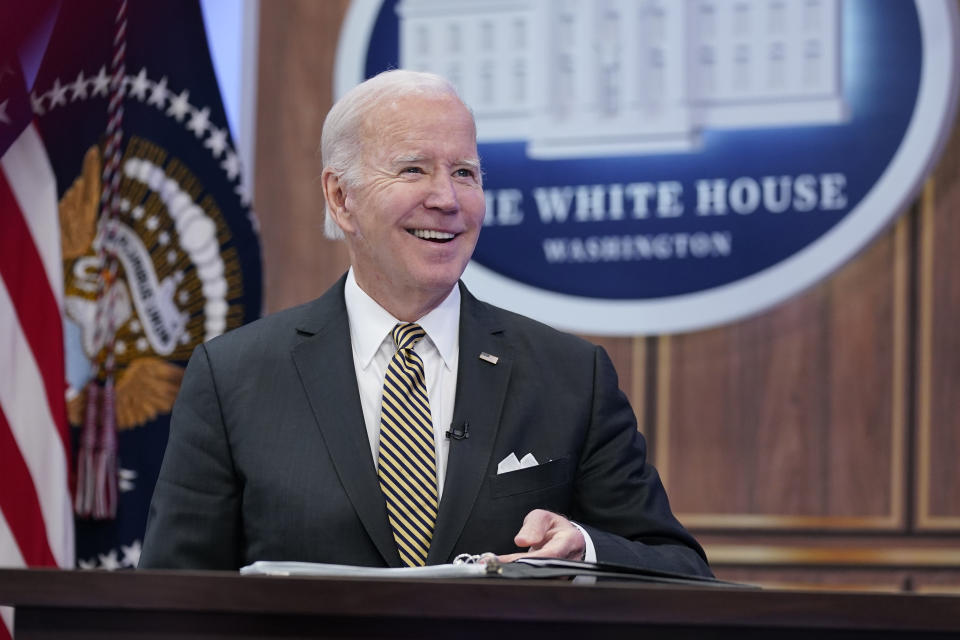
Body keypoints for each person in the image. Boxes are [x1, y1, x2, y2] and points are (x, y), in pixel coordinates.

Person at [139, 70, 711, 576]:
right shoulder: (233, 376)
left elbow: (679, 568)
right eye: (413, 169)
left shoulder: (570, 376)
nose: (447, 198)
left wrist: (584, 547)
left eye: (464, 172)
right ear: (341, 199)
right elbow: (172, 596)